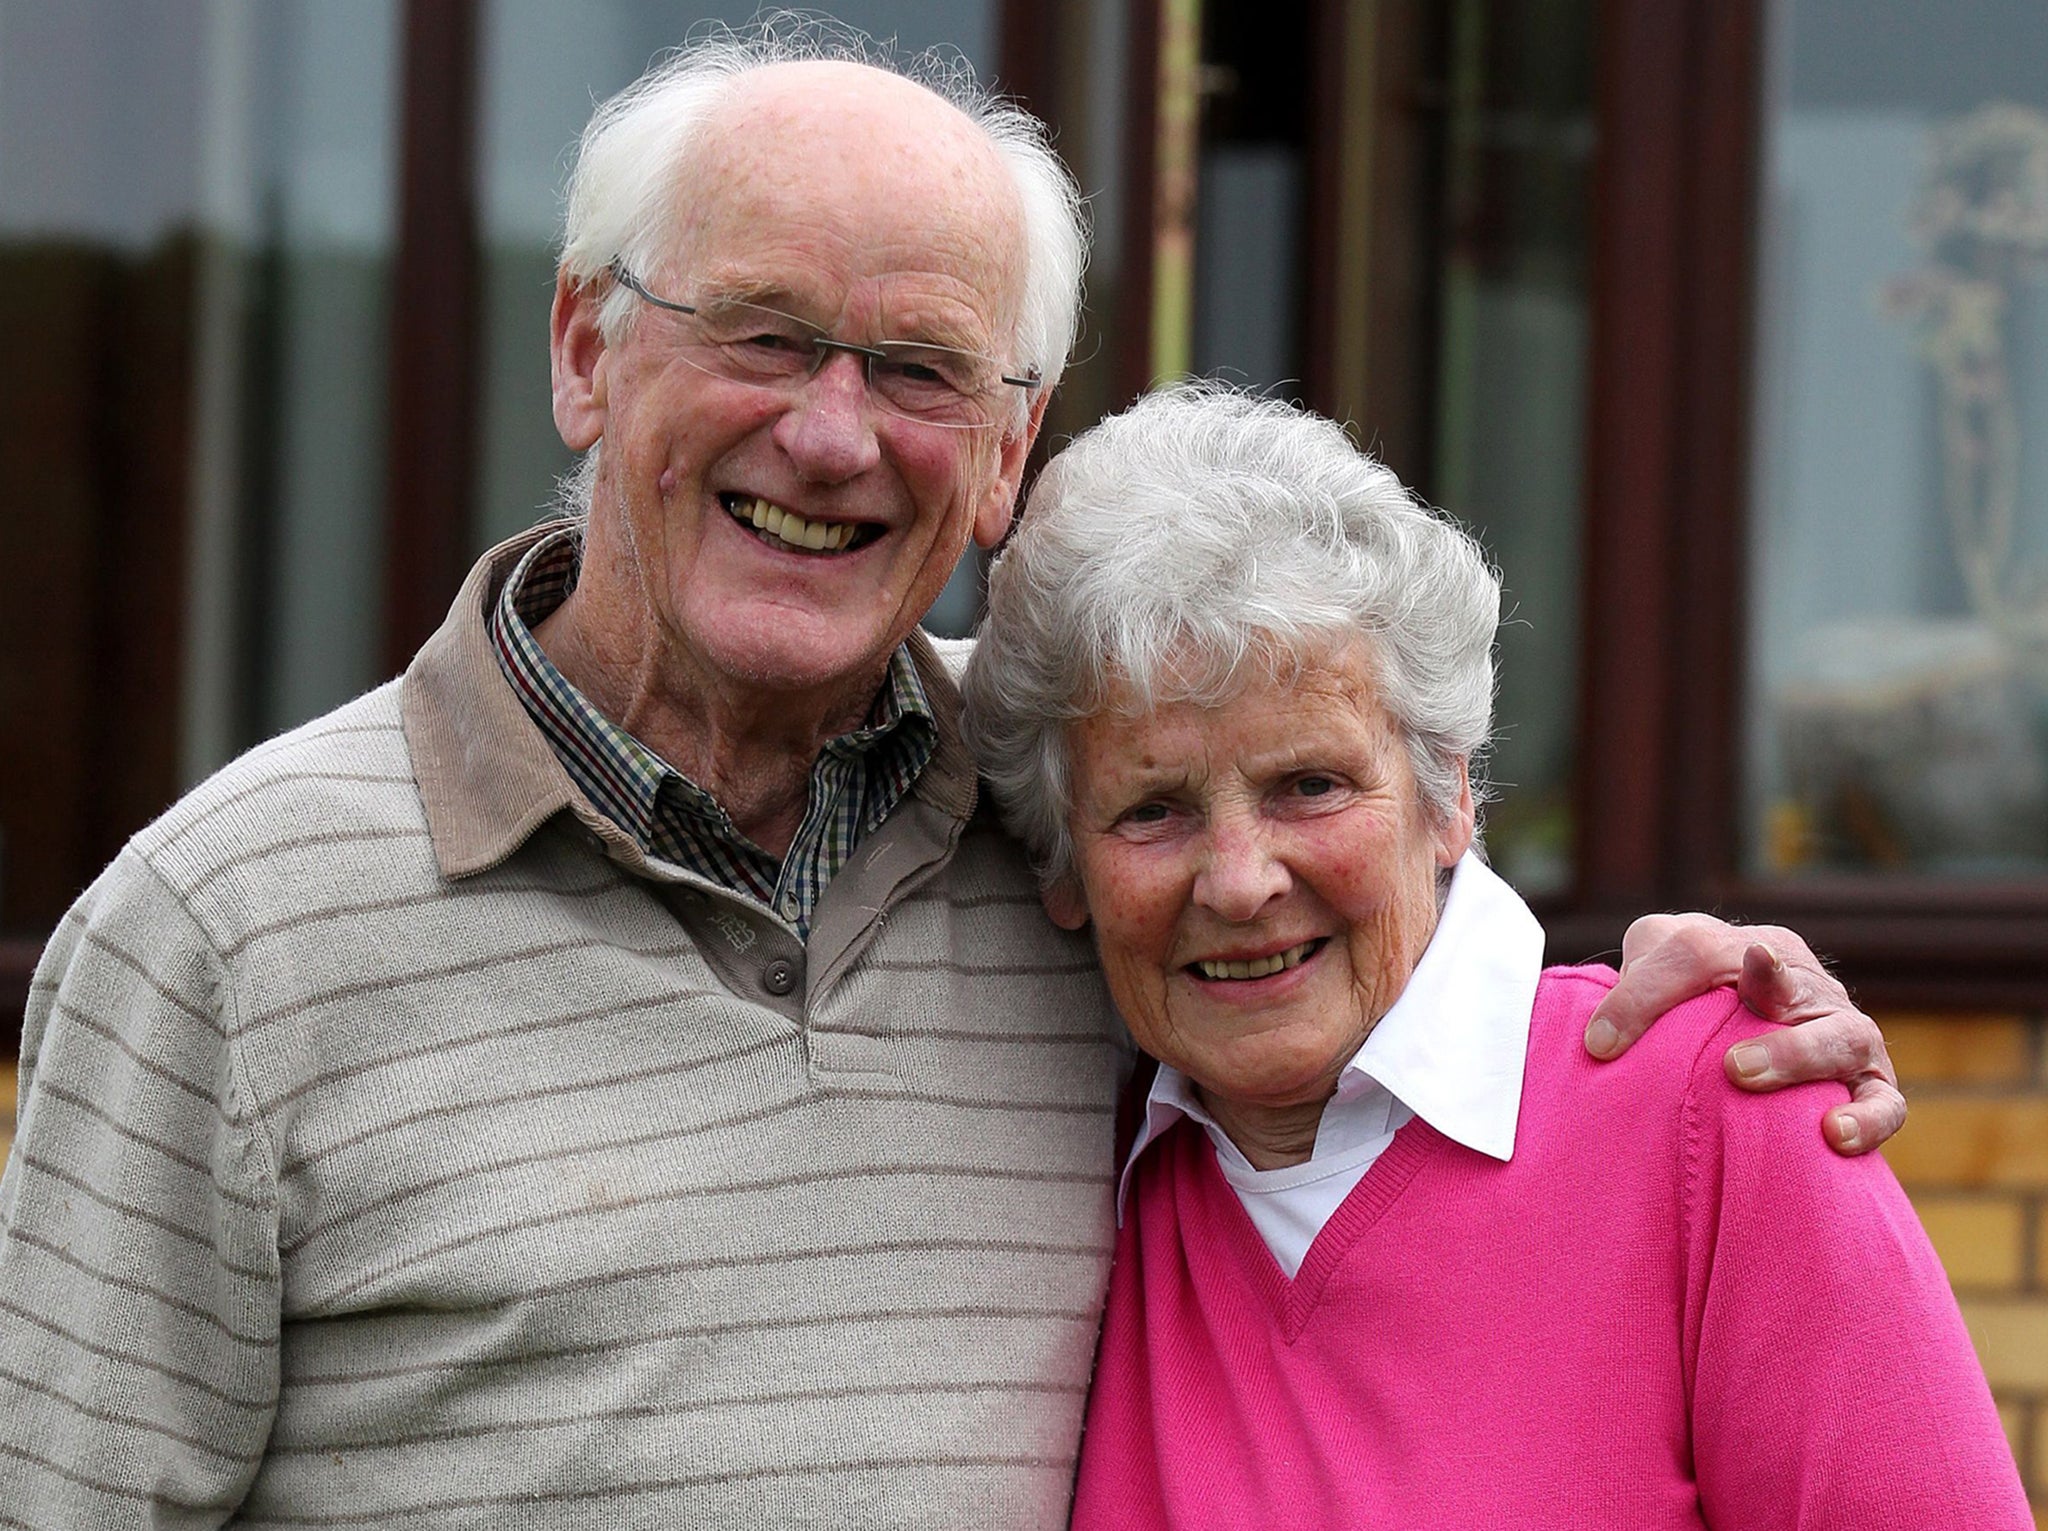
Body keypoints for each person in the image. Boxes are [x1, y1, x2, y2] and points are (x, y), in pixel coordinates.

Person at [0, 20, 1902, 1529]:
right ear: (585, 351)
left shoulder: (1073, 792)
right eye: (759, 334)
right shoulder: (226, 938)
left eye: (919, 370)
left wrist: (1695, 1010)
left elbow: (1336, 899)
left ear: (1002, 461)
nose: (829, 435)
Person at [960, 383, 2025, 1529]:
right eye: (1152, 810)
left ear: (1449, 793)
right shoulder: (1064, 1170)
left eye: (1308, 784)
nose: (1239, 879)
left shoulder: (1720, 1111)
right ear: (1062, 868)